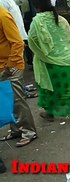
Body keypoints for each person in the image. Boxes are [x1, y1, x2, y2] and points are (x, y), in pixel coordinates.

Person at [28, 0, 70, 124]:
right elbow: (67, 40)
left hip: (50, 63)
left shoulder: (37, 22)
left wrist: (42, 53)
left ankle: (50, 113)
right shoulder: (62, 20)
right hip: (68, 60)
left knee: (49, 88)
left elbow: (32, 40)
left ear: (36, 7)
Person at [0, 6, 37, 147]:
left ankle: (29, 131)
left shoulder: (3, 15)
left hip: (11, 65)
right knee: (7, 100)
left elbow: (18, 43)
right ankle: (16, 130)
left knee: (17, 100)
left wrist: (9, 66)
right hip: (3, 65)